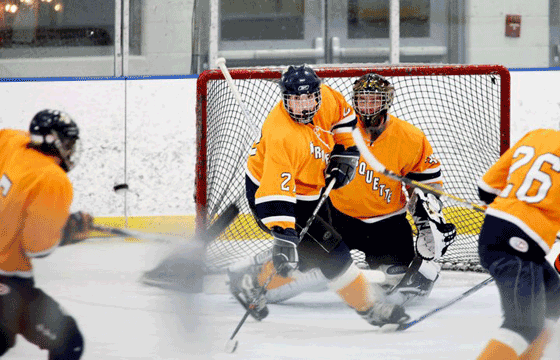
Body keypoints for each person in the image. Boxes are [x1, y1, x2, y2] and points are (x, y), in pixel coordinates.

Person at [228, 73, 457, 307]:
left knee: (394, 279)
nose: (367, 106)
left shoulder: (410, 138)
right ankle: (259, 272)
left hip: (387, 225)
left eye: (374, 100)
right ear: (354, 100)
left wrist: (430, 218)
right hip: (336, 217)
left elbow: (427, 184)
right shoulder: (339, 130)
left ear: (387, 101)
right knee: (308, 275)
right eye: (362, 100)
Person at [0, 109, 94, 359]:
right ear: (52, 140)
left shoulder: (12, 142)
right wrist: (68, 230)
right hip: (8, 283)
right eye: (68, 142)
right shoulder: (53, 178)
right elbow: (37, 248)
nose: (71, 148)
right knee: (68, 341)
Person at [475, 128, 560, 360]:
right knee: (524, 323)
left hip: (496, 229)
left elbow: (486, 189)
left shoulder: (537, 135)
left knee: (555, 296)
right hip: (520, 243)